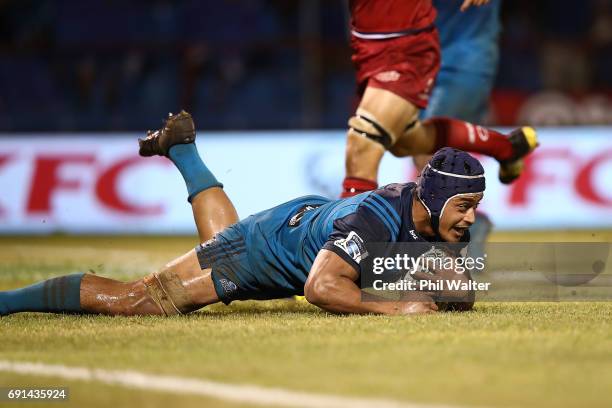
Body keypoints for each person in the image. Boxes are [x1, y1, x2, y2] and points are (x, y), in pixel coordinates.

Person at [0, 112, 484, 317]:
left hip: (300, 226)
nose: (468, 219)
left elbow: (457, 290)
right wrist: (399, 307)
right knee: (143, 302)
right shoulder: (377, 217)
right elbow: (321, 288)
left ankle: (184, 151)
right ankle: (7, 301)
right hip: (265, 249)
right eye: (463, 207)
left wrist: (450, 284)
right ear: (435, 200)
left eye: (474, 208)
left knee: (224, 240)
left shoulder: (438, 218)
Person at [341, 0, 536, 198]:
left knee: (366, 140)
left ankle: (351, 225)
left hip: (446, 52)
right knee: (405, 141)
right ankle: (506, 148)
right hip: (372, 45)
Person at [414, 0, 503, 256]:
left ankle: (454, 235)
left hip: (464, 60)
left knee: (427, 146)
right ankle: (466, 228)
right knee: (421, 149)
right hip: (422, 58)